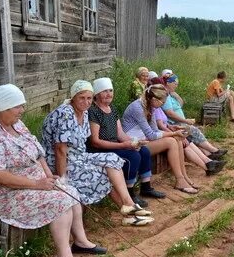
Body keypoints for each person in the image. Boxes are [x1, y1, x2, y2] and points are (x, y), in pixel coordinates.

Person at [0, 84, 101, 257]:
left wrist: (49, 176)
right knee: (62, 201)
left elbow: (38, 153)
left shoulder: (15, 124)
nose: (22, 110)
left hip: (31, 183)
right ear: (2, 107)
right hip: (2, 194)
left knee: (69, 191)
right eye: (17, 107)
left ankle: (80, 242)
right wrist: (38, 184)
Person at [42, 80, 153, 226]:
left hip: (79, 157)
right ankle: (129, 212)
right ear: (73, 97)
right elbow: (60, 150)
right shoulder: (65, 114)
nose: (86, 102)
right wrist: (63, 180)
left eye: (89, 98)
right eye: (82, 98)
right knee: (102, 173)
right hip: (63, 161)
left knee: (112, 159)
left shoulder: (84, 112)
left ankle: (128, 205)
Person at [87, 77, 165, 208]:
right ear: (96, 94)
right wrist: (124, 145)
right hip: (101, 149)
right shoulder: (93, 112)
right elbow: (95, 141)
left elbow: (120, 133)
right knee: (132, 157)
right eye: (104, 91)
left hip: (114, 144)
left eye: (110, 90)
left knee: (143, 150)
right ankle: (130, 193)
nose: (108, 94)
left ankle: (146, 187)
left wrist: (135, 142)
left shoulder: (112, 108)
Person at [122, 84, 199, 194]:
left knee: (177, 139)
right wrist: (172, 133)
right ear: (154, 99)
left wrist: (172, 131)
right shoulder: (137, 108)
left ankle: (183, 177)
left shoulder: (150, 106)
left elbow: (154, 130)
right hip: (132, 143)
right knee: (172, 141)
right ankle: (180, 180)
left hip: (142, 139)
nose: (162, 104)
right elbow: (151, 135)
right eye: (162, 102)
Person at [153, 99, 225, 176]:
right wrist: (173, 134)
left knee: (187, 142)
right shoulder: (155, 109)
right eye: (162, 100)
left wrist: (171, 127)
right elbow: (160, 126)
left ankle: (208, 162)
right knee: (184, 144)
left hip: (167, 131)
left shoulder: (158, 108)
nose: (164, 102)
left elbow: (164, 124)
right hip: (161, 134)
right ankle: (207, 166)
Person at [163, 74, 227, 160]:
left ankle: (208, 154)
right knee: (194, 131)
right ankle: (213, 151)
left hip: (179, 122)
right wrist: (185, 121)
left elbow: (180, 104)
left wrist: (176, 95)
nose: (176, 86)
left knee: (193, 133)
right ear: (168, 83)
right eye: (175, 83)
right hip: (175, 123)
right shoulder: (165, 97)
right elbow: (169, 113)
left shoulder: (170, 95)